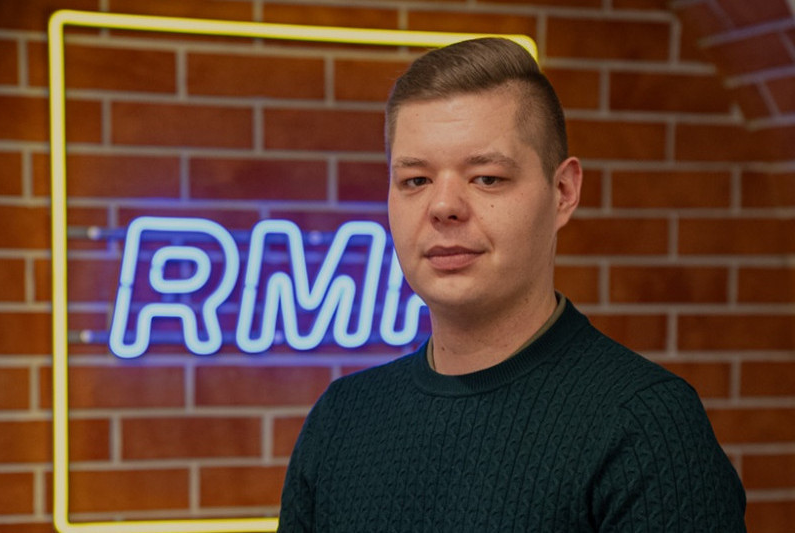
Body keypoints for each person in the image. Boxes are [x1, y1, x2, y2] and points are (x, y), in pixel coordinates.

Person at [278, 37, 746, 532]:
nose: (444, 206)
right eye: (416, 180)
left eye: (486, 178)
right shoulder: (340, 422)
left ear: (563, 192)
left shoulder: (646, 427)